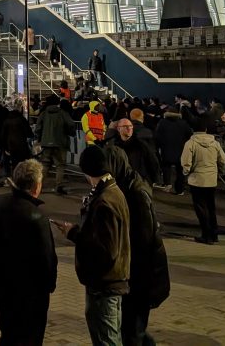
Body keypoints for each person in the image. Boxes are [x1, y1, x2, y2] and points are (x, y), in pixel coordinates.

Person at [55, 145, 131, 346]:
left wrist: (74, 233)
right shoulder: (111, 191)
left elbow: (106, 249)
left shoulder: (105, 200)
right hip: (108, 280)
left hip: (105, 282)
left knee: (107, 338)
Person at [104, 140, 171, 346]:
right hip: (133, 272)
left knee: (133, 330)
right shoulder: (126, 186)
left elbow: (142, 240)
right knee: (132, 329)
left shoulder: (134, 193)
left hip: (138, 273)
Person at [0, 160, 55, 345]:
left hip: (3, 284)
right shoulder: (36, 217)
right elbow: (47, 258)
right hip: (31, 292)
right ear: (36, 186)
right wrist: (49, 284)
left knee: (8, 334)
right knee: (30, 337)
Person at [181, 118, 225, 243]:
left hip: (196, 180)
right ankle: (214, 234)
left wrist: (186, 173)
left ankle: (206, 235)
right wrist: (220, 172)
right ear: (206, 130)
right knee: (211, 207)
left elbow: (186, 162)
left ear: (193, 130)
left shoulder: (190, 143)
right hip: (211, 179)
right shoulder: (215, 143)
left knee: (201, 208)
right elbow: (223, 160)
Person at [36, 95, 76, 195]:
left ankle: (38, 187)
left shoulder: (44, 114)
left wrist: (40, 139)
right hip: (60, 143)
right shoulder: (63, 113)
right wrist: (69, 132)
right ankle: (59, 187)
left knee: (45, 165)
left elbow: (38, 128)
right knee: (60, 165)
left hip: (46, 144)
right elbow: (71, 125)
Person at [112, 117, 160, 187]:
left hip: (139, 182)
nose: (129, 129)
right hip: (120, 182)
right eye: (125, 126)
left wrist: (153, 180)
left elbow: (152, 161)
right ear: (119, 129)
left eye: (131, 126)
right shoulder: (114, 146)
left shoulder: (141, 145)